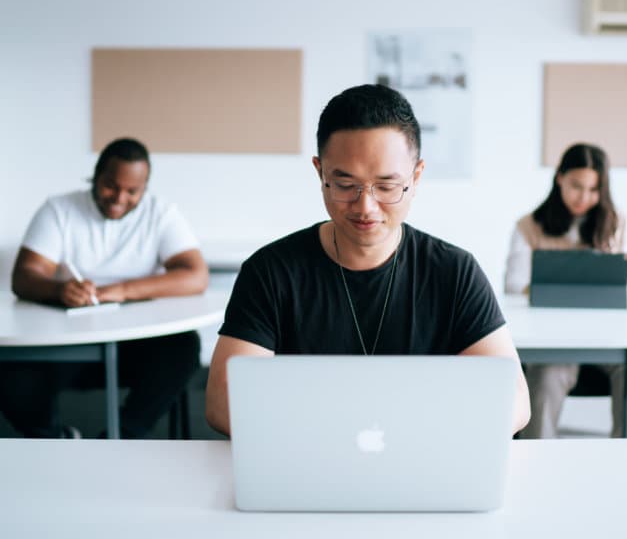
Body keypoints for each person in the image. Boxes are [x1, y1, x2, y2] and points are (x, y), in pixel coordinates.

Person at [205, 84, 530, 436]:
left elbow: (513, 400)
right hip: (308, 464)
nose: (365, 206)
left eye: (387, 186)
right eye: (345, 184)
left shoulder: (453, 272)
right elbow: (224, 401)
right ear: (320, 173)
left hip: (422, 462)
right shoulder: (271, 272)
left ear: (416, 177)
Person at [0, 138, 209, 438]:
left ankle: (119, 439)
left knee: (183, 351)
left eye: (132, 191)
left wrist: (121, 290)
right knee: (13, 378)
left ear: (144, 188)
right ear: (95, 176)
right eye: (111, 185)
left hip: (137, 341)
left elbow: (196, 276)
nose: (120, 197)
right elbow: (24, 276)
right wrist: (59, 289)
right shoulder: (60, 209)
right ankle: (55, 441)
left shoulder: (162, 214)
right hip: (64, 340)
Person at [504, 142, 627, 438]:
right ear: (559, 177)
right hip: (553, 340)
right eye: (576, 186)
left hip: (614, 337)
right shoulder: (529, 226)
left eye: (593, 189)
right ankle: (536, 461)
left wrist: (617, 290)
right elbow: (514, 285)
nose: (584, 197)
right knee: (546, 377)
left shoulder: (619, 224)